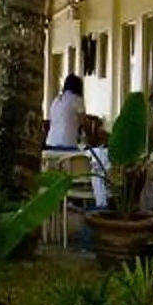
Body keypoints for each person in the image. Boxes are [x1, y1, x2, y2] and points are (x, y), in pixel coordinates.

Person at [42, 74, 110, 209]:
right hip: (67, 147)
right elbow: (84, 124)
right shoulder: (77, 100)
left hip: (50, 145)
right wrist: (92, 137)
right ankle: (86, 199)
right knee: (88, 162)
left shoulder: (56, 100)